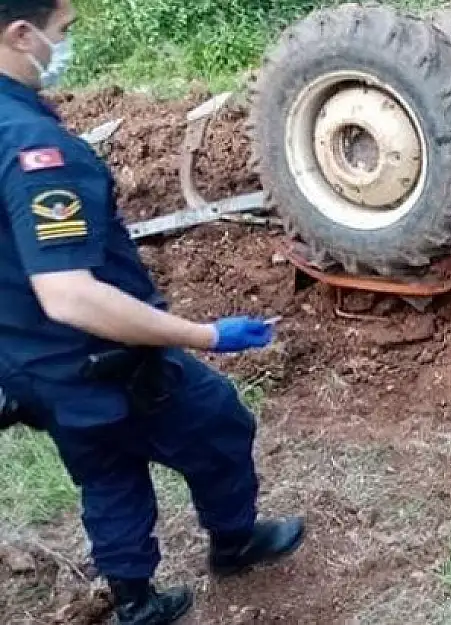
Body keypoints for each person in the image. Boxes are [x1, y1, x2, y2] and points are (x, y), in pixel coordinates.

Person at [0, 1, 305, 623]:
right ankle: (233, 540)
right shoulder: (33, 148)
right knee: (218, 424)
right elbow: (70, 293)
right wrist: (206, 334)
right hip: (95, 357)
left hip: (30, 362)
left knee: (105, 470)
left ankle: (136, 602)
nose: (67, 45)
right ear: (21, 34)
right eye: (64, 32)